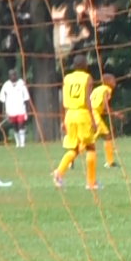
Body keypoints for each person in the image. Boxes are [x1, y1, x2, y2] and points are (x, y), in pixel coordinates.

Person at [52, 54, 99, 189]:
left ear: (74, 66)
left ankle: (59, 173)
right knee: (90, 147)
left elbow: (62, 100)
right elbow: (87, 100)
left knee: (74, 148)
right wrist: (93, 119)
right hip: (82, 114)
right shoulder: (87, 78)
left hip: (70, 115)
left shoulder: (67, 78)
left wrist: (63, 120)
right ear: (85, 65)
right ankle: (91, 183)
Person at [90, 73, 121, 168]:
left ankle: (110, 162)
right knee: (92, 139)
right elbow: (104, 105)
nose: (115, 82)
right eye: (113, 80)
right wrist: (114, 113)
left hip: (90, 113)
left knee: (107, 136)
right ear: (107, 82)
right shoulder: (107, 90)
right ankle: (72, 156)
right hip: (95, 114)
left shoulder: (96, 89)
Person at [0, 69, 30, 148]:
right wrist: (4, 112)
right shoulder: (6, 85)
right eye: (11, 75)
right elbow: (3, 99)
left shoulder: (21, 83)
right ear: (9, 76)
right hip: (10, 110)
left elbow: (26, 98)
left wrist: (28, 110)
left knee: (21, 125)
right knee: (15, 126)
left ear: (16, 75)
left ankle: (22, 143)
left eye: (14, 75)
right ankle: (18, 143)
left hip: (21, 109)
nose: (13, 76)